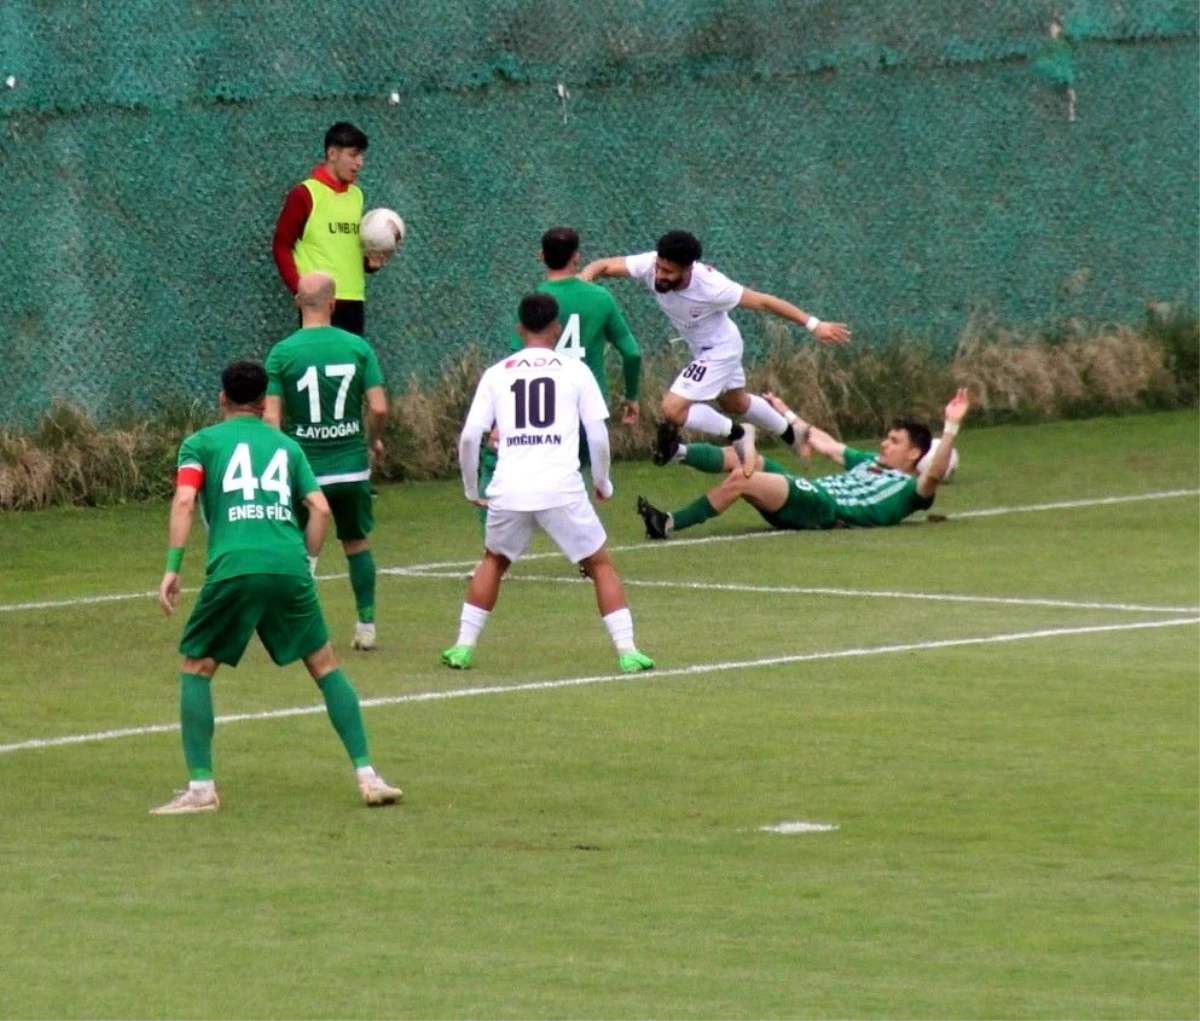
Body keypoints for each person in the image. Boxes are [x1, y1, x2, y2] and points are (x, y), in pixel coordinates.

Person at [153, 360, 402, 814]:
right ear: (264, 400)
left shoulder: (200, 443)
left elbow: (186, 498)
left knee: (197, 667)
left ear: (222, 399)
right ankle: (369, 774)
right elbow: (320, 510)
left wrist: (172, 566)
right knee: (325, 665)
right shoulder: (287, 447)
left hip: (235, 567)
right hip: (288, 563)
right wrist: (306, 563)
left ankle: (201, 789)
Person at [443, 293, 654, 674]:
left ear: (519, 328)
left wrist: (472, 488)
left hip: (509, 487)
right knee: (601, 565)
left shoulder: (497, 373)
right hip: (560, 487)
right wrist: (603, 481)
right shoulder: (576, 371)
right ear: (556, 329)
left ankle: (462, 647)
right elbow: (599, 436)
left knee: (494, 560)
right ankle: (627, 651)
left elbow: (470, 438)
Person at [580, 230, 851, 475]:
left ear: (688, 269)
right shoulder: (650, 265)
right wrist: (584, 279)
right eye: (659, 267)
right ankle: (794, 434)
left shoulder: (712, 286)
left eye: (669, 272)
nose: (660, 275)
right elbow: (603, 265)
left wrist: (814, 325)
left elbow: (765, 302)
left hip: (720, 350)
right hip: (712, 345)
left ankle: (739, 433)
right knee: (736, 404)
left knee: (673, 409)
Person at [478, 226, 644, 533]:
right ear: (577, 257)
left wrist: (499, 419)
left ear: (541, 257)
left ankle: (493, 550)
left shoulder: (537, 302)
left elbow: (515, 363)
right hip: (586, 410)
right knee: (570, 478)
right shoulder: (601, 298)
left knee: (495, 466)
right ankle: (585, 551)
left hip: (539, 410)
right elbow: (632, 353)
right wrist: (631, 396)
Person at [636, 388, 970, 539]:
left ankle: (667, 523)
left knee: (744, 477)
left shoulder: (913, 489)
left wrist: (951, 426)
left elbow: (935, 474)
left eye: (894, 441)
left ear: (915, 455)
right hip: (812, 493)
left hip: (827, 509)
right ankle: (676, 451)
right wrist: (787, 414)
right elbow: (826, 443)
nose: (884, 443)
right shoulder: (871, 461)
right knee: (753, 459)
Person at [264, 272, 389, 651]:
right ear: (334, 304)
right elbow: (379, 406)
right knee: (356, 543)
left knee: (296, 547)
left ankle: (296, 625)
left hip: (306, 470)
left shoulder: (282, 353)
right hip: (351, 464)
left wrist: (286, 459)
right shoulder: (357, 347)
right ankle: (366, 625)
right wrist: (371, 440)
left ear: (297, 302)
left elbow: (270, 418)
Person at [271, 121, 401, 337]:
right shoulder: (305, 193)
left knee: (352, 367)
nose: (360, 162)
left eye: (362, 156)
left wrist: (370, 263)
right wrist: (300, 291)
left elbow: (345, 247)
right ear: (332, 154)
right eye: (354, 155)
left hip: (354, 301)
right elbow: (281, 245)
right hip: (319, 305)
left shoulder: (357, 195)